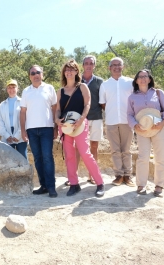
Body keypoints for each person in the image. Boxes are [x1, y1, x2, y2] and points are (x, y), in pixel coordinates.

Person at [55, 59, 105, 197]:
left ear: (77, 71)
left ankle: (100, 183)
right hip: (65, 127)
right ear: (64, 72)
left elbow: (87, 105)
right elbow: (58, 109)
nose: (69, 72)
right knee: (69, 156)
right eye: (66, 69)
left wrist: (81, 119)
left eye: (72, 69)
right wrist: (57, 119)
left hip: (81, 124)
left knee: (85, 153)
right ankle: (74, 184)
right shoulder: (60, 91)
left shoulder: (82, 87)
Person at [127, 69, 164, 196]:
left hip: (159, 128)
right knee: (143, 157)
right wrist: (135, 125)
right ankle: (141, 185)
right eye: (140, 77)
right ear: (136, 80)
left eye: (145, 76)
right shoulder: (132, 97)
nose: (143, 78)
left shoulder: (158, 93)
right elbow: (129, 114)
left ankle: (159, 186)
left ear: (150, 79)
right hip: (142, 130)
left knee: (161, 157)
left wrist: (163, 123)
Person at [65, 55, 104, 186]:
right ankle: (73, 177)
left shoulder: (100, 82)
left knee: (94, 146)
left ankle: (92, 176)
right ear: (82, 66)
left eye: (91, 63)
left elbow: (102, 101)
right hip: (78, 120)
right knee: (76, 148)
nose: (88, 65)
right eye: (86, 63)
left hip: (96, 117)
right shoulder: (75, 81)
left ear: (94, 65)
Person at [20, 65, 58, 198]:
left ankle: (51, 187)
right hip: (31, 130)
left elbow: (54, 108)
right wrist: (23, 130)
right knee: (38, 158)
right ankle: (43, 186)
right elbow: (23, 112)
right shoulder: (26, 91)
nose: (35, 75)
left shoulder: (49, 88)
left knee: (47, 157)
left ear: (42, 74)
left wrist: (55, 127)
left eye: (38, 72)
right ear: (29, 76)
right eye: (32, 73)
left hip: (47, 128)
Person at [99, 57, 135, 187]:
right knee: (115, 150)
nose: (116, 67)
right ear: (109, 68)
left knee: (126, 150)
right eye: (113, 65)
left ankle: (128, 176)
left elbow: (134, 101)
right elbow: (103, 103)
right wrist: (112, 110)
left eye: (119, 65)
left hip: (127, 120)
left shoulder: (130, 82)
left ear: (123, 67)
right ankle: (119, 175)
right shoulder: (105, 85)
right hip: (111, 121)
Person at [0, 79, 28, 160]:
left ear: (17, 89)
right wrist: (7, 135)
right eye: (9, 87)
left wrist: (19, 134)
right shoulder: (2, 105)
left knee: (23, 160)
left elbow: (26, 119)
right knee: (6, 161)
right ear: (7, 89)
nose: (11, 90)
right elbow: (0, 121)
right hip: (7, 138)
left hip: (20, 138)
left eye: (13, 87)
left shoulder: (23, 102)